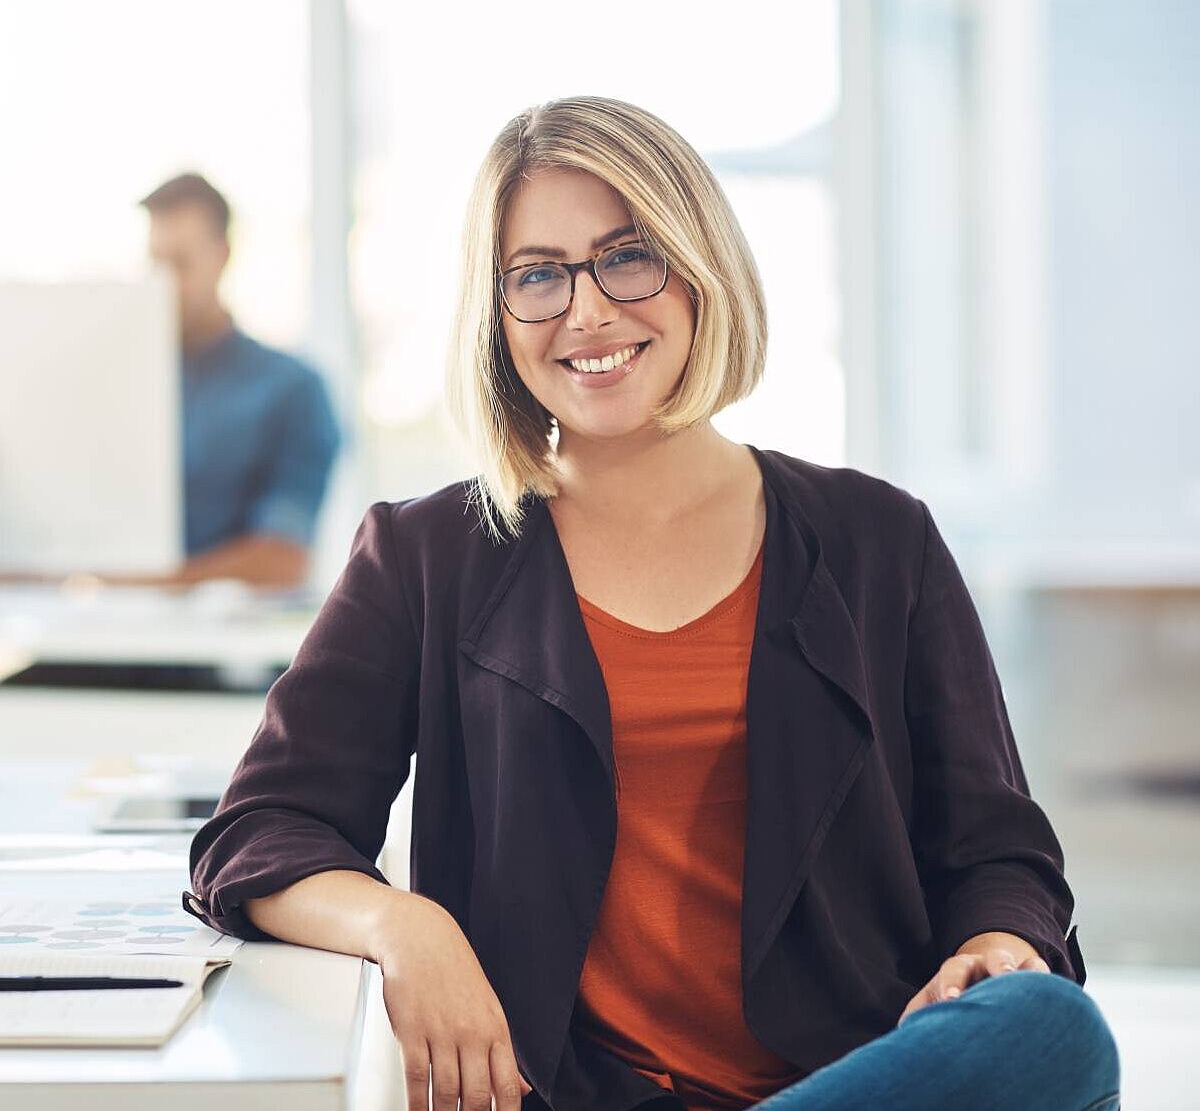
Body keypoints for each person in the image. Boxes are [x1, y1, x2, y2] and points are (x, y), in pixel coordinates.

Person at [182, 97, 1121, 1111]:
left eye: (627, 257)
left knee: (1051, 1029)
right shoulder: (424, 555)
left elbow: (997, 849)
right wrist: (405, 925)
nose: (585, 311)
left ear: (700, 268)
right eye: (537, 275)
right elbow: (260, 830)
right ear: (497, 316)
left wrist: (995, 943)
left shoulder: (878, 540)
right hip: (580, 1095)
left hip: (857, 1077)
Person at [132, 172, 341, 589]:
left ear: (222, 255)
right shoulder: (122, 388)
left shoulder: (292, 388)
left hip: (225, 647)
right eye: (155, 263)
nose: (165, 284)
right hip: (95, 632)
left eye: (180, 263)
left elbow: (283, 559)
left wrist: (143, 584)